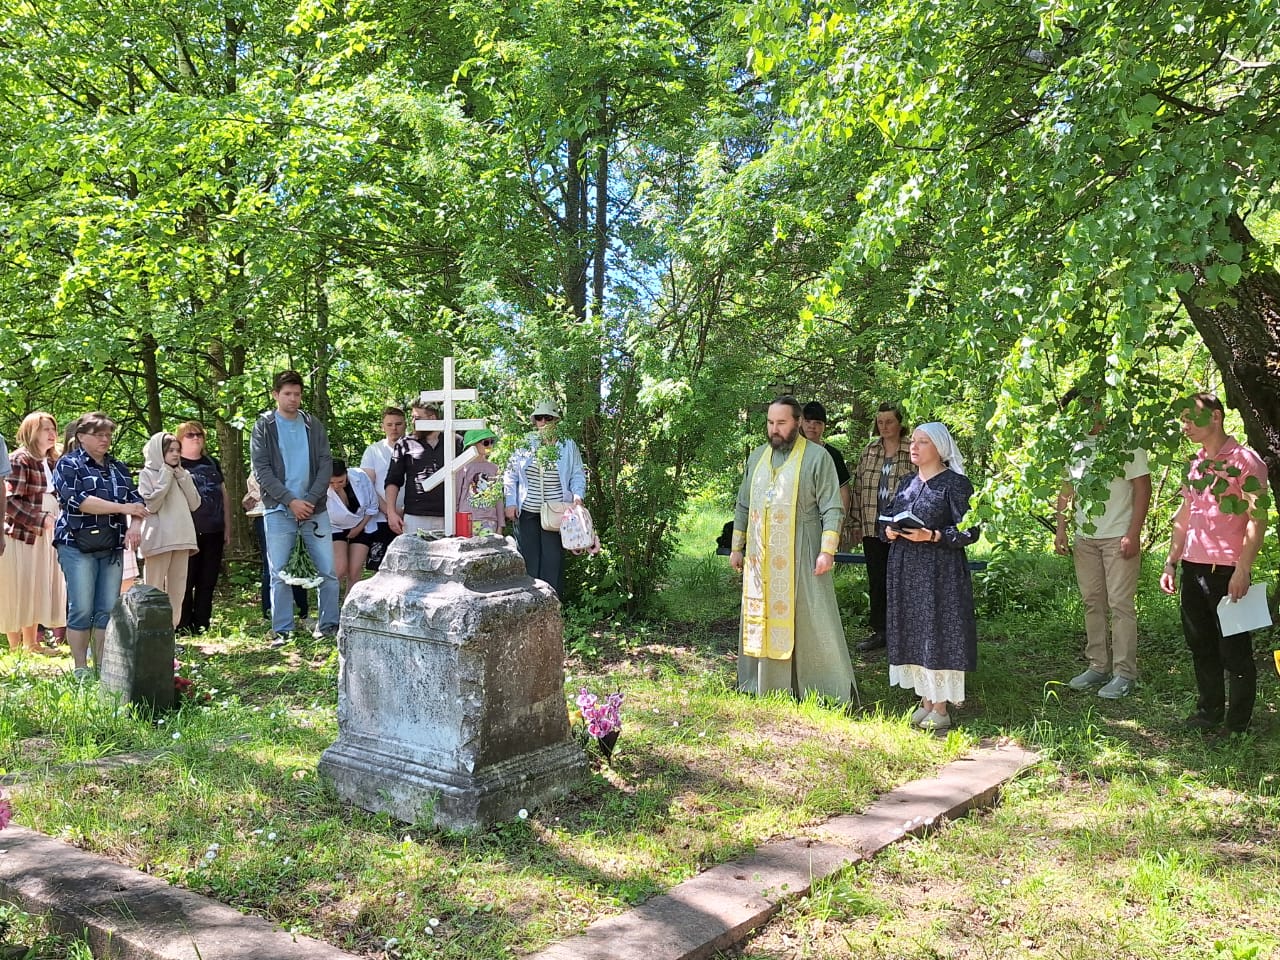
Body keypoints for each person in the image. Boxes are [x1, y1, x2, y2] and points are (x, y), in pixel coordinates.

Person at [728, 397, 856, 703]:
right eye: (770, 423)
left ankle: (819, 688)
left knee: (811, 617)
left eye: (781, 423)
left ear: (797, 422)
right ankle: (760, 683)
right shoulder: (757, 457)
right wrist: (737, 547)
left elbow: (833, 507)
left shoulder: (817, 457)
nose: (774, 429)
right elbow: (743, 504)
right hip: (760, 559)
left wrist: (828, 550)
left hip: (804, 551)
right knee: (764, 617)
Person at [1159, 393, 1268, 735]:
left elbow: (1257, 517)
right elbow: (1184, 516)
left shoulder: (1245, 461)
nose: (1185, 425)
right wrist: (1171, 563)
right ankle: (1208, 713)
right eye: (1183, 420)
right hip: (1193, 567)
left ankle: (1236, 725)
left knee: (1234, 652)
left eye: (1191, 418)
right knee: (1201, 645)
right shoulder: (1195, 465)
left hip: (1228, 572)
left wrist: (1243, 568)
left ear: (1216, 417)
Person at [883, 422, 980, 731]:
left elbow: (971, 529)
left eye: (922, 442)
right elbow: (889, 513)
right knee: (914, 630)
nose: (914, 446)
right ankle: (925, 700)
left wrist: (934, 535)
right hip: (906, 569)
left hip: (939, 572)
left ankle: (941, 707)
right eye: (913, 441)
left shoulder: (956, 484)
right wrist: (887, 529)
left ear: (939, 448)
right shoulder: (907, 482)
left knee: (937, 630)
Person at [1054, 400, 1151, 699]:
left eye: (1085, 408)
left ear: (1098, 408)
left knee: (1120, 604)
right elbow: (1066, 489)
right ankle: (1098, 666)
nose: (1080, 415)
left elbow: (1142, 487)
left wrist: (1133, 533)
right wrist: (1061, 527)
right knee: (1092, 601)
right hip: (1086, 539)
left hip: (1118, 537)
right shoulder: (1074, 445)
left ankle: (1124, 674)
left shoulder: (1124, 442)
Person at [249, 370, 340, 645]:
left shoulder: (313, 425)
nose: (292, 399)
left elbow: (326, 463)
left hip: (315, 509)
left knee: (327, 570)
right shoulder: (264, 426)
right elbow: (262, 469)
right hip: (279, 509)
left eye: (297, 394)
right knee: (279, 573)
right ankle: (283, 630)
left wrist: (309, 500)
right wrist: (290, 500)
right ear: (276, 395)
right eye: (287, 394)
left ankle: (328, 626)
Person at [52, 412, 146, 677]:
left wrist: (136, 526)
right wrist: (122, 507)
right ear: (81, 437)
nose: (105, 439)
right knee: (82, 607)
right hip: (75, 543)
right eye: (99, 434)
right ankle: (81, 668)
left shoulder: (118, 467)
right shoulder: (68, 464)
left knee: (107, 608)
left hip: (112, 543)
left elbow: (139, 503)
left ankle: (104, 668)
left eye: (108, 434)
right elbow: (79, 501)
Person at [849, 404, 915, 652]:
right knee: (877, 579)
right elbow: (858, 487)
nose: (884, 427)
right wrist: (855, 522)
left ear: (900, 423)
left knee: (902, 579)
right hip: (871, 524)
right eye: (880, 422)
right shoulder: (870, 450)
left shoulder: (912, 449)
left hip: (902, 528)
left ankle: (905, 632)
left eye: (889, 421)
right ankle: (880, 631)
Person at [503, 401, 587, 596]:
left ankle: (552, 605)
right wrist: (511, 502)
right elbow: (511, 474)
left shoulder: (567, 445)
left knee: (553, 559)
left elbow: (577, 474)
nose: (543, 422)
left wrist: (577, 498)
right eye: (539, 418)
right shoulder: (525, 443)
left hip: (556, 512)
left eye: (548, 417)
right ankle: (530, 604)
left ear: (556, 420)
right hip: (528, 510)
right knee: (528, 559)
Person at [1, 412, 67, 655]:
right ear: (31, 432)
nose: (51, 434)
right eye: (44, 429)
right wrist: (40, 518)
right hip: (22, 533)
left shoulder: (51, 461)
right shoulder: (20, 459)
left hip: (46, 532)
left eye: (53, 428)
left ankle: (32, 644)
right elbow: (9, 501)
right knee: (18, 584)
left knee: (36, 584)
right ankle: (16, 646)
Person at [138, 432, 201, 628]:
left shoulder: (182, 474)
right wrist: (165, 474)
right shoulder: (147, 474)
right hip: (158, 539)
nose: (175, 454)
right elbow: (153, 504)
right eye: (170, 450)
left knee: (178, 590)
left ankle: (169, 633)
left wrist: (183, 477)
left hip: (182, 538)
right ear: (159, 451)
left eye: (178, 450)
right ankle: (150, 631)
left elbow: (195, 503)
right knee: (153, 587)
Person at [175, 421, 231, 636]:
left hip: (214, 530)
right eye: (190, 435)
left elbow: (223, 494)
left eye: (199, 434)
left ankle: (202, 623)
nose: (196, 438)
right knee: (186, 579)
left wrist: (228, 526)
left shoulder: (211, 462)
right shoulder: (176, 464)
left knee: (208, 580)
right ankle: (182, 623)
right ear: (180, 439)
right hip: (186, 532)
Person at [385, 404, 463, 536]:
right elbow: (393, 480)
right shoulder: (405, 443)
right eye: (412, 418)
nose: (413, 422)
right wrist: (391, 512)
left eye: (417, 418)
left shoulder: (455, 442)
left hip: (449, 515)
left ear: (432, 418)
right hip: (415, 515)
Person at [243, 469, 309, 624]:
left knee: (297, 561)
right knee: (272, 566)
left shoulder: (294, 459)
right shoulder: (261, 458)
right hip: (266, 514)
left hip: (293, 512)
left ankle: (302, 613)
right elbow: (255, 490)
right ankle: (270, 614)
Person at [359, 406, 407, 570]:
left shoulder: (415, 449)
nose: (394, 428)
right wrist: (389, 511)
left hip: (409, 517)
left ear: (405, 425)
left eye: (398, 424)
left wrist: (403, 510)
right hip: (380, 519)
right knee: (380, 568)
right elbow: (367, 485)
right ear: (383, 426)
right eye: (390, 424)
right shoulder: (373, 451)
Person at [327, 458, 378, 595]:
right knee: (340, 568)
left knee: (354, 570)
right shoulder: (320, 485)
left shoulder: (360, 476)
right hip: (335, 526)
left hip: (362, 525)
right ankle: (329, 608)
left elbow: (372, 507)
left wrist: (359, 528)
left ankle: (348, 609)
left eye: (340, 481)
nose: (336, 485)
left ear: (346, 474)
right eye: (331, 482)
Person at [801, 401, 852, 517]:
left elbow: (844, 492)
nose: (811, 426)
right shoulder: (793, 452)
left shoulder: (833, 455)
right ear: (800, 422)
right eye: (808, 421)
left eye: (817, 422)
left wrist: (839, 525)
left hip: (826, 520)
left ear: (824, 426)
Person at [456, 428, 502, 535]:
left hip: (489, 520)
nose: (490, 445)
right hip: (466, 519)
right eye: (486, 442)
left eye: (492, 442)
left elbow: (498, 498)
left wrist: (500, 525)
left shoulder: (494, 468)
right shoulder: (461, 468)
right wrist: (455, 521)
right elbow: (456, 496)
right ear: (472, 445)